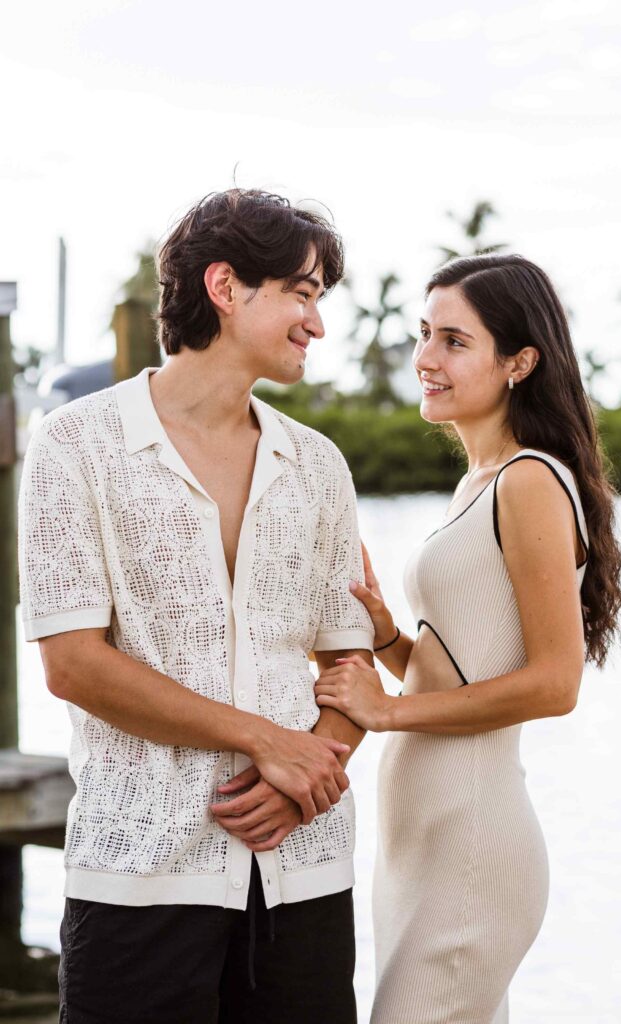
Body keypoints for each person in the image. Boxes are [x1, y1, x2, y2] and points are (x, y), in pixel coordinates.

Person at [18, 189, 374, 1024]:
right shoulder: (75, 444)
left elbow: (348, 663)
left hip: (302, 870)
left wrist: (304, 778)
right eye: (301, 293)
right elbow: (74, 666)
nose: (316, 323)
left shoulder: (318, 464)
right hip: (137, 873)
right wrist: (265, 740)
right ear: (224, 286)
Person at [314, 253, 621, 1024]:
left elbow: (553, 685)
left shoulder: (528, 481)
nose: (425, 357)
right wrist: (390, 638)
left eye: (454, 341)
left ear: (519, 361)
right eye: (424, 333)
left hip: (471, 840)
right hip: (422, 841)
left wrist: (386, 711)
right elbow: (463, 669)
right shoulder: (477, 483)